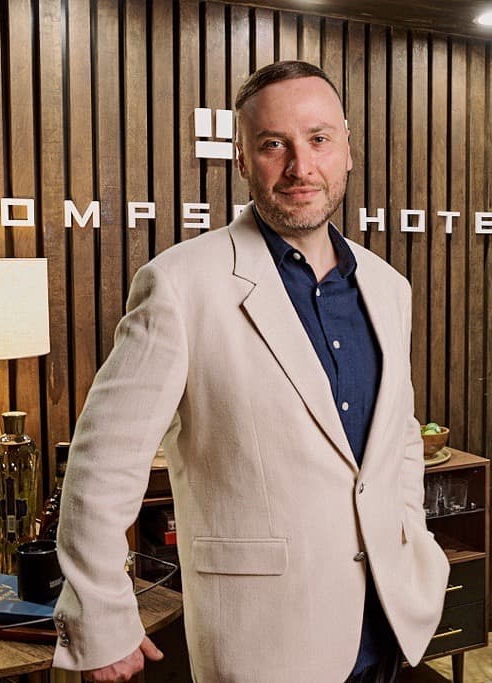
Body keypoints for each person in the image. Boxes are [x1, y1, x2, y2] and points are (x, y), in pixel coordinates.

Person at [51, 60, 449, 683]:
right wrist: (101, 617)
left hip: (390, 623)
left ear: (346, 149)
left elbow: (397, 442)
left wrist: (412, 542)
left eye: (318, 140)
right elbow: (101, 464)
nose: (300, 166)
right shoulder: (179, 285)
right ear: (242, 159)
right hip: (265, 641)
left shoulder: (387, 286)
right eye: (273, 145)